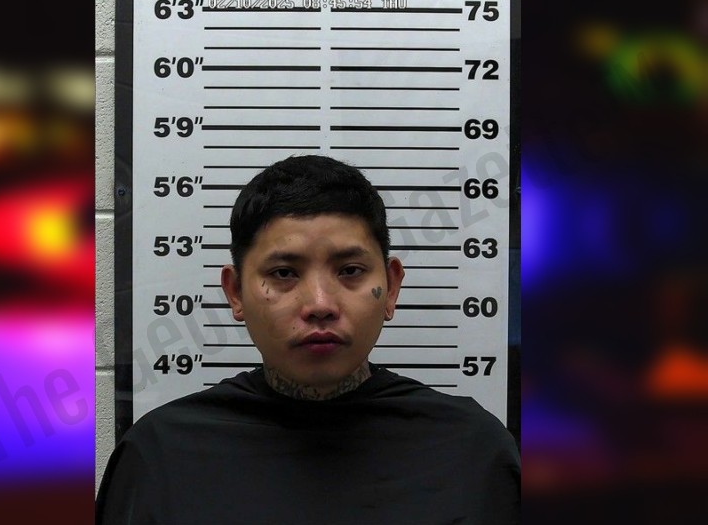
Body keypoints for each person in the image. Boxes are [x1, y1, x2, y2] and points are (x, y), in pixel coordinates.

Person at [96, 155, 520, 524]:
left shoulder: (473, 452)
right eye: (284, 273)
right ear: (235, 293)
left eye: (350, 271)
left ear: (391, 288)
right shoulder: (160, 457)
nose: (319, 304)